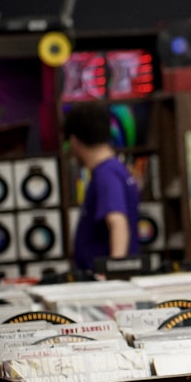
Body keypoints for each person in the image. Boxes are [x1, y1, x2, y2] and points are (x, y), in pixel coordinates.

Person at [63, 103, 141, 271]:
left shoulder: (106, 174)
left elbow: (117, 221)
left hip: (103, 285)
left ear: (74, 141)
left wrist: (113, 276)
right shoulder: (116, 169)